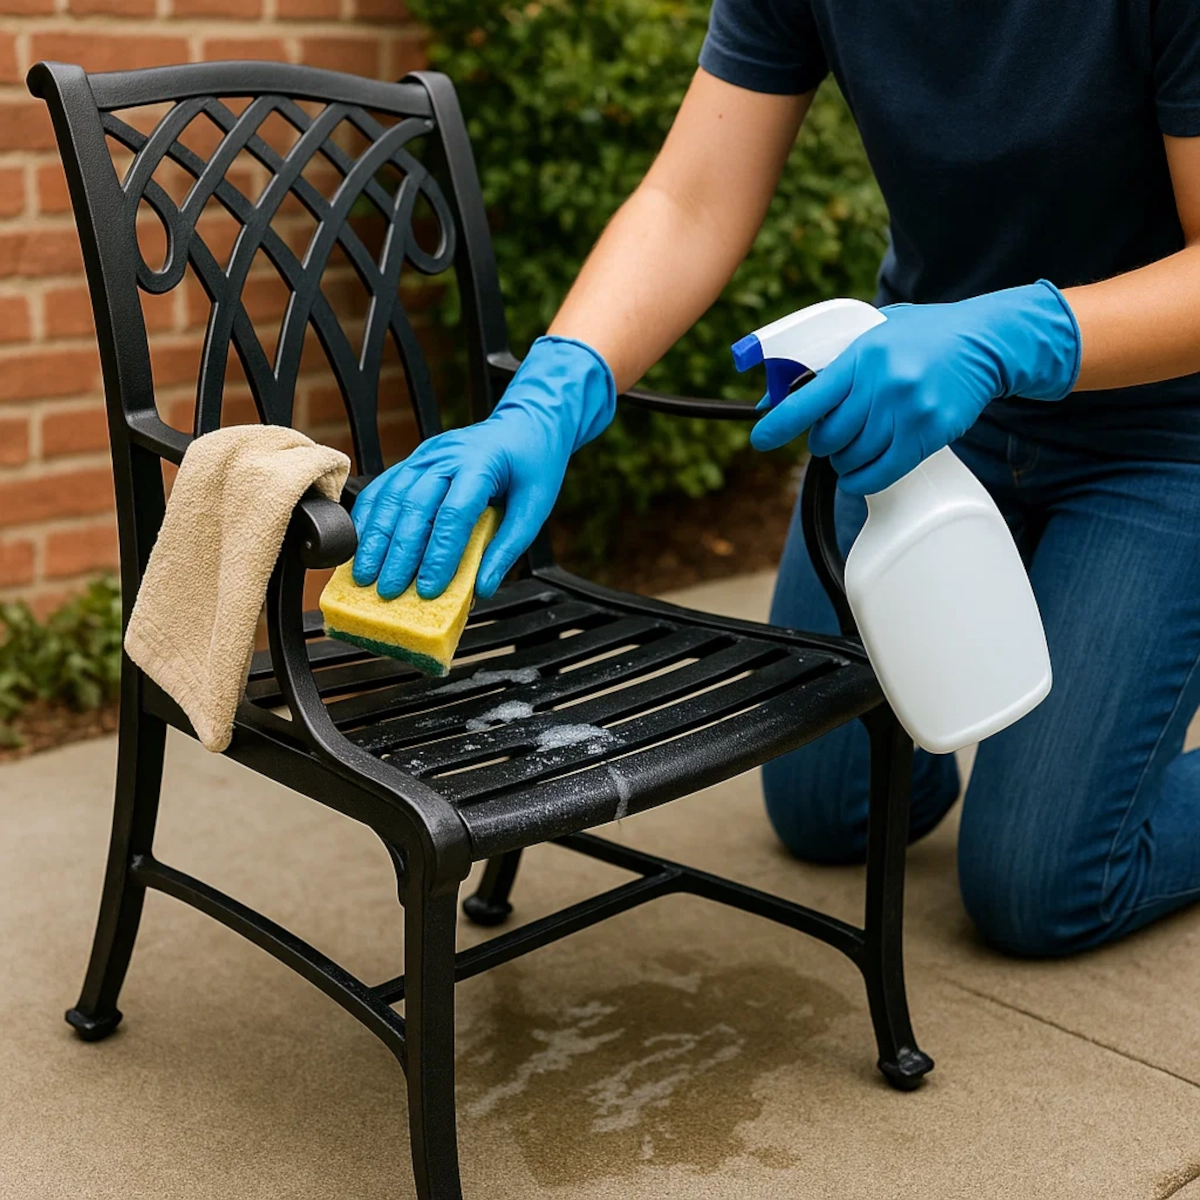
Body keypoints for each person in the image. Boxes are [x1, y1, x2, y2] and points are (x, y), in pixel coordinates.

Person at [350, 2, 1200, 957]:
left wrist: (1011, 335)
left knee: (1041, 887)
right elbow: (693, 199)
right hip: (916, 410)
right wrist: (553, 392)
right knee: (825, 808)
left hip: (1162, 431)